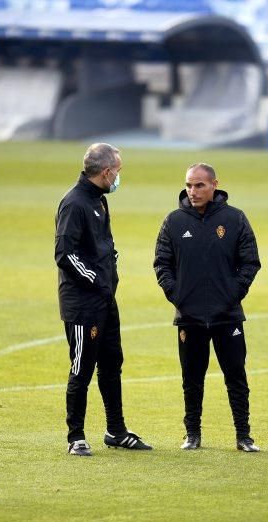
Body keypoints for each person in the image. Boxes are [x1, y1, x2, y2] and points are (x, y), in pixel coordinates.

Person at [154, 163, 262, 452]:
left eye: (199, 185)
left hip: (227, 314)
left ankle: (244, 435)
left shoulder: (235, 219)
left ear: (215, 185)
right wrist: (177, 295)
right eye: (189, 185)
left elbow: (250, 262)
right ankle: (192, 434)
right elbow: (162, 264)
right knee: (191, 378)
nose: (193, 191)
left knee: (236, 376)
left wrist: (233, 293)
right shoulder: (174, 221)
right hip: (188, 316)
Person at [55, 142, 152, 456]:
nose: (119, 177)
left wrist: (110, 272)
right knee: (82, 367)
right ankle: (76, 437)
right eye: (118, 171)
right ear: (107, 171)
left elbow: (101, 246)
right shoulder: (75, 203)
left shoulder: (99, 201)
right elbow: (65, 254)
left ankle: (116, 431)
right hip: (84, 305)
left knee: (112, 364)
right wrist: (97, 279)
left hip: (105, 299)